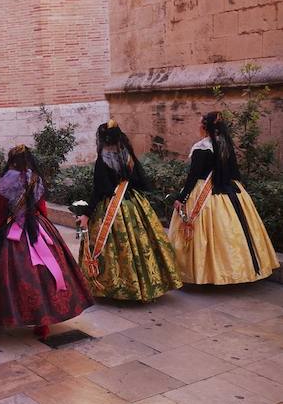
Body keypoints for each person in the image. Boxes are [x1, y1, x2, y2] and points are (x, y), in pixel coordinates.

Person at [0, 144, 92, 338]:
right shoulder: (35, 178)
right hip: (38, 227)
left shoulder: (4, 182)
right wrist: (46, 227)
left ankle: (8, 315)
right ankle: (44, 320)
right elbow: (42, 208)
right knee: (45, 272)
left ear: (11, 161)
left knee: (8, 275)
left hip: (13, 232)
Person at [169, 111, 278, 284]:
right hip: (230, 192)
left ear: (205, 127)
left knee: (202, 233)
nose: (198, 127)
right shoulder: (225, 144)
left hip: (204, 192)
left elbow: (193, 176)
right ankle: (235, 270)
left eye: (200, 124)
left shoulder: (202, 147)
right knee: (233, 232)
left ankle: (204, 273)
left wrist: (181, 198)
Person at [78, 120, 183, 302]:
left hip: (112, 207)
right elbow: (139, 182)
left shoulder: (102, 161)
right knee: (141, 244)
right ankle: (146, 283)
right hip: (134, 204)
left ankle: (120, 287)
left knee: (118, 249)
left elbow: (100, 190)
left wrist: (86, 213)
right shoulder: (127, 156)